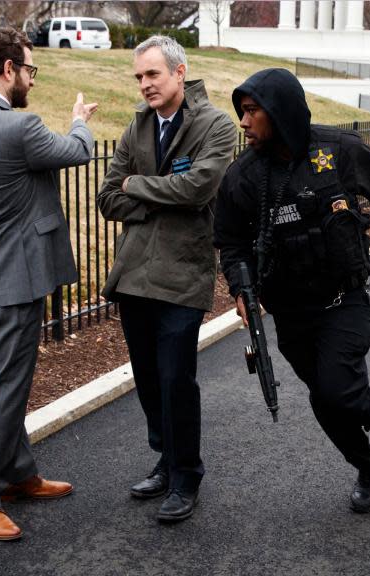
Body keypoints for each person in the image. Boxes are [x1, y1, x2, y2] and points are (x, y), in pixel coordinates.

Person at [214, 68, 370, 514]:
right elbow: (230, 242)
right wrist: (240, 290)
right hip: (290, 310)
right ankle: (367, 466)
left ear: (280, 111)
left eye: (252, 112)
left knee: (338, 389)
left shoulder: (337, 150)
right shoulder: (243, 177)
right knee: (325, 397)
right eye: (241, 113)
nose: (243, 122)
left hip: (343, 298)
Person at [0, 26, 97, 541]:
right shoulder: (19, 127)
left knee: (4, 380)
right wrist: (80, 120)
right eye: (30, 70)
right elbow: (77, 152)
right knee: (6, 390)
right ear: (9, 69)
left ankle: (18, 476)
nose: (32, 82)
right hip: (16, 282)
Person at [97, 35, 236, 523]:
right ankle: (165, 458)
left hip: (183, 273)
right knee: (150, 379)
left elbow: (200, 188)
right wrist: (158, 194)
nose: (145, 85)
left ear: (180, 72)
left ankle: (186, 475)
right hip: (134, 274)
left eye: (152, 74)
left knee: (177, 378)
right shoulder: (136, 126)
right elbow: (108, 198)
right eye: (139, 77)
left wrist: (140, 186)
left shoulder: (216, 124)